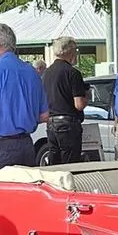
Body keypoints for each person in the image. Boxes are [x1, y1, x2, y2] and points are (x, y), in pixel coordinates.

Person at [0, 22, 44, 174]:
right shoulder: (32, 72)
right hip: (27, 146)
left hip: (2, 147)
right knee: (24, 195)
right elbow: (44, 115)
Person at [41, 35, 88, 165]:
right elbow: (79, 104)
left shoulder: (47, 73)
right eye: (76, 50)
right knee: (71, 164)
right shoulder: (73, 73)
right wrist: (87, 96)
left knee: (54, 160)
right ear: (70, 51)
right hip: (68, 123)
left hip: (51, 122)